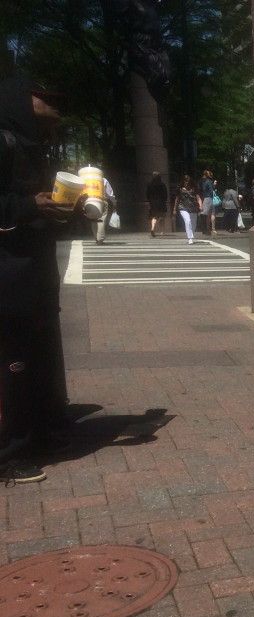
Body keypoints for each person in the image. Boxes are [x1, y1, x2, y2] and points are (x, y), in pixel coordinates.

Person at [0, 74, 76, 483]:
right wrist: (30, 205)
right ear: (19, 99)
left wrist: (66, 209)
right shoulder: (4, 141)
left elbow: (38, 208)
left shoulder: (35, 145)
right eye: (46, 97)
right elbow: (19, 205)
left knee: (40, 353)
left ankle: (43, 430)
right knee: (13, 360)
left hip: (35, 272)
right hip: (9, 274)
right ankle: (10, 452)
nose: (55, 103)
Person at [175, 174, 200, 245]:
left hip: (193, 207)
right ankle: (190, 238)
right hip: (182, 207)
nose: (186, 182)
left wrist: (200, 205)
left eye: (188, 181)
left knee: (193, 224)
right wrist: (174, 209)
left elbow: (198, 197)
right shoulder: (180, 189)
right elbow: (177, 198)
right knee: (187, 220)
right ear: (183, 181)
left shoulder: (194, 188)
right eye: (185, 181)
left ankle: (191, 235)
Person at [91, 175, 116, 244]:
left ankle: (96, 238)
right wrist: (114, 202)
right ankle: (100, 239)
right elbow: (110, 194)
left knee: (93, 220)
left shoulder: (88, 179)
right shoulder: (103, 180)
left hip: (90, 201)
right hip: (101, 201)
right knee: (101, 219)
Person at [146, 171, 168, 237]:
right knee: (162, 216)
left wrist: (149, 201)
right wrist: (165, 200)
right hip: (161, 202)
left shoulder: (149, 184)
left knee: (154, 216)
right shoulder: (162, 184)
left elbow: (147, 194)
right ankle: (162, 231)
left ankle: (152, 228)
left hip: (153, 203)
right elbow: (165, 194)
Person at [200, 169, 217, 236]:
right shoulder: (209, 181)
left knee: (205, 214)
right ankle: (212, 229)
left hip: (207, 198)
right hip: (210, 198)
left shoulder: (205, 181)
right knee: (212, 213)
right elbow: (212, 190)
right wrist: (214, 185)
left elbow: (205, 189)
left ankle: (205, 229)